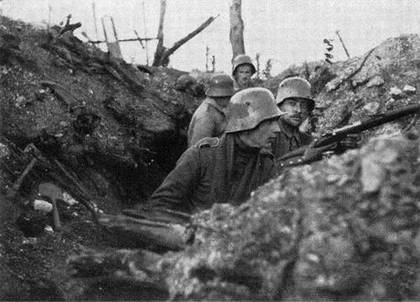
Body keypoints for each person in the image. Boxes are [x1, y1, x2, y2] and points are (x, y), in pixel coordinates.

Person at [148, 88, 283, 214]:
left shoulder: (266, 165)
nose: (277, 129)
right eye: (270, 122)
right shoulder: (201, 156)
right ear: (247, 122)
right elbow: (159, 206)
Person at [272, 76, 315, 159]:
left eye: (303, 105)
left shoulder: (307, 140)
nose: (298, 110)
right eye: (292, 103)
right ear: (279, 106)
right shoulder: (268, 138)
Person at [187, 74, 234, 147]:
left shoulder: (218, 108)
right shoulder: (206, 116)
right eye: (229, 96)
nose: (231, 99)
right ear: (222, 96)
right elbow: (199, 149)